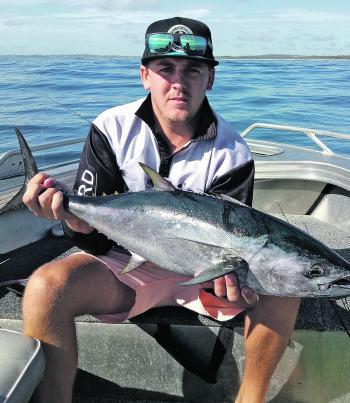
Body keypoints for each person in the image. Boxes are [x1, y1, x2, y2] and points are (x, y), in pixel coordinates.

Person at [22, 16, 300, 403]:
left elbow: (234, 246)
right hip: (127, 268)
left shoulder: (233, 151)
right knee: (45, 287)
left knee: (286, 286)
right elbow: (89, 237)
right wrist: (71, 217)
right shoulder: (111, 128)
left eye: (193, 70)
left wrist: (234, 289)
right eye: (165, 69)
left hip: (204, 276)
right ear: (144, 75)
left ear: (210, 79)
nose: (178, 83)